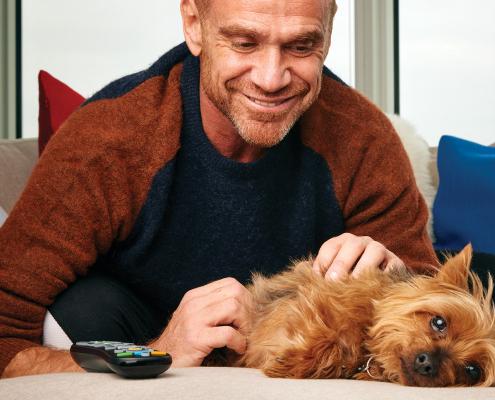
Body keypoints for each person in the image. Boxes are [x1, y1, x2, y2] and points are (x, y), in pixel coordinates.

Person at [0, 0, 439, 378]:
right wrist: (159, 354)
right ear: (194, 24)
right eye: (244, 43)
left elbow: (436, 300)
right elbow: (5, 338)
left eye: (301, 45)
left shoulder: (363, 139)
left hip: (290, 362)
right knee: (85, 304)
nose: (271, 79)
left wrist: (399, 282)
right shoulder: (109, 142)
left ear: (329, 30)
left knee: (488, 275)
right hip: (134, 349)